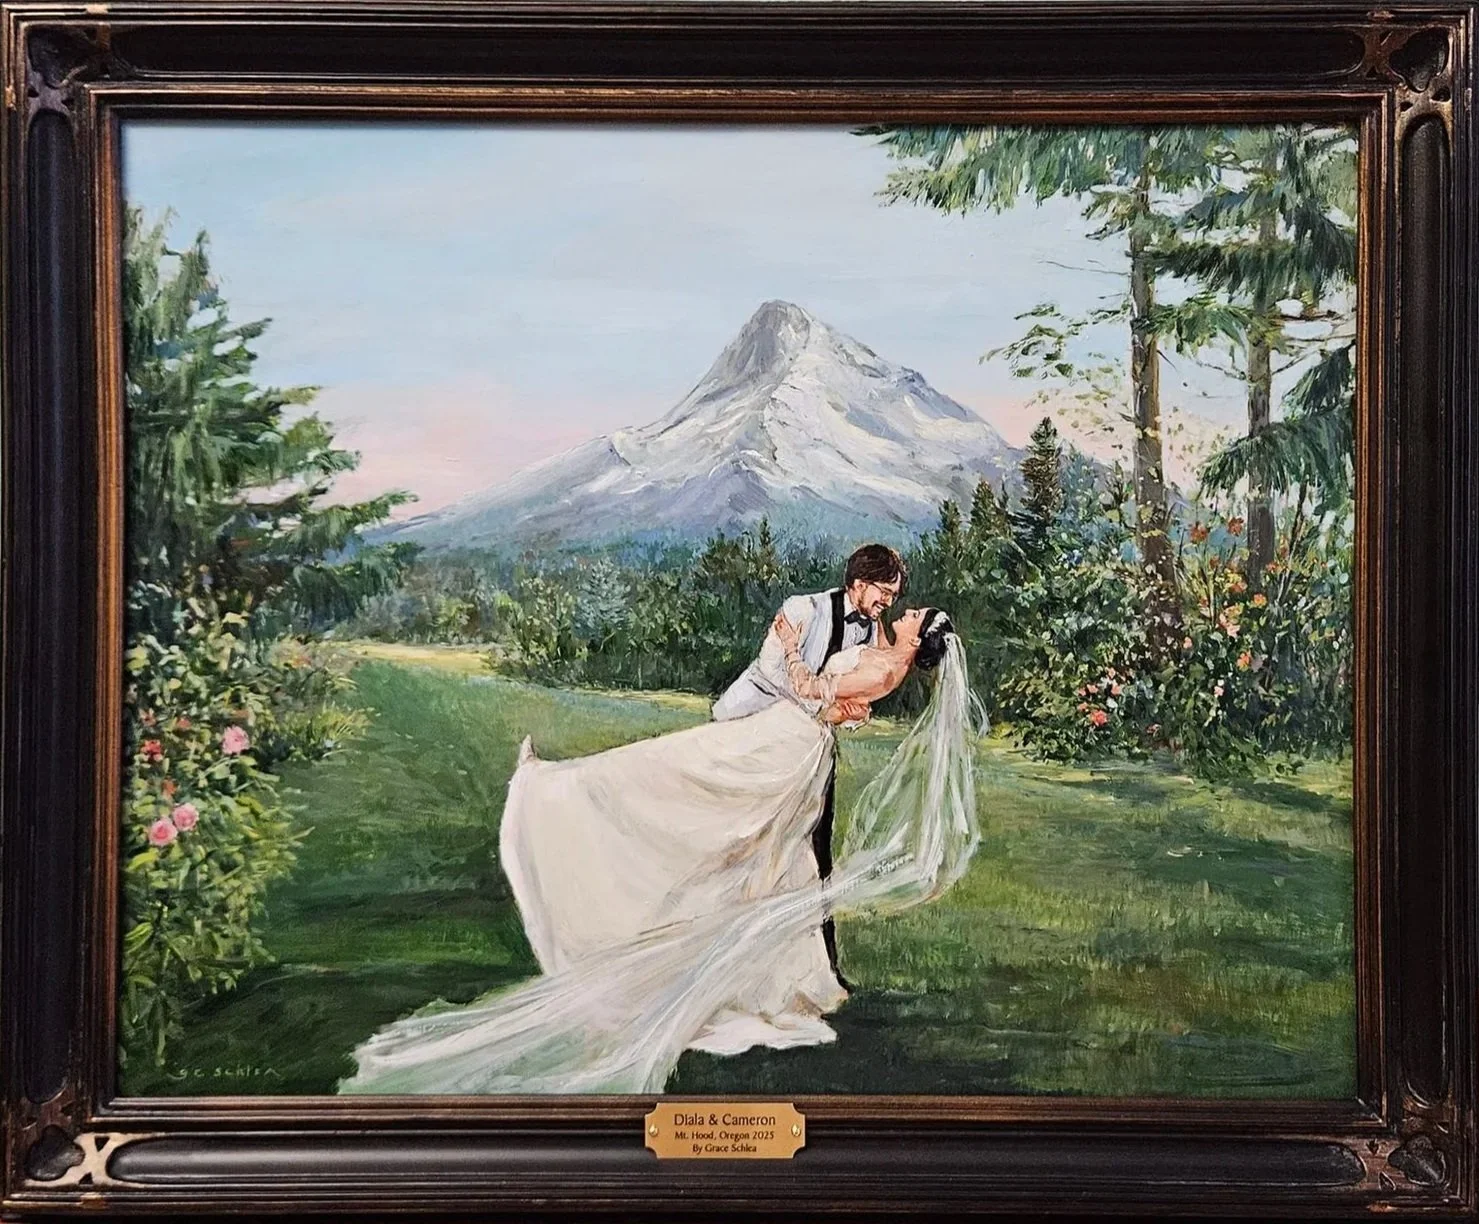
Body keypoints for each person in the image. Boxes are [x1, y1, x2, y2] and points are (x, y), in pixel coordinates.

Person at [339, 604, 978, 1096]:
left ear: (919, 638)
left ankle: (558, 793)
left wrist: (788, 643)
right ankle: (569, 794)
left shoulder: (886, 665)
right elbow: (844, 706)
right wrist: (849, 707)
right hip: (792, 739)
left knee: (680, 779)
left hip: (787, 742)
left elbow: (814, 691)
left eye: (916, 615)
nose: (907, 610)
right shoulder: (883, 654)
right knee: (756, 845)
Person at [712, 543, 907, 986]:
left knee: (815, 855)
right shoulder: (802, 609)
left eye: (893, 597)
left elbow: (852, 699)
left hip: (810, 751)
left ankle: (820, 968)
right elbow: (772, 673)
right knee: (741, 847)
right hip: (752, 734)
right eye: (884, 592)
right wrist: (825, 707)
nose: (888, 603)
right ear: (859, 583)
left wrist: (849, 714)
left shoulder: (870, 634)